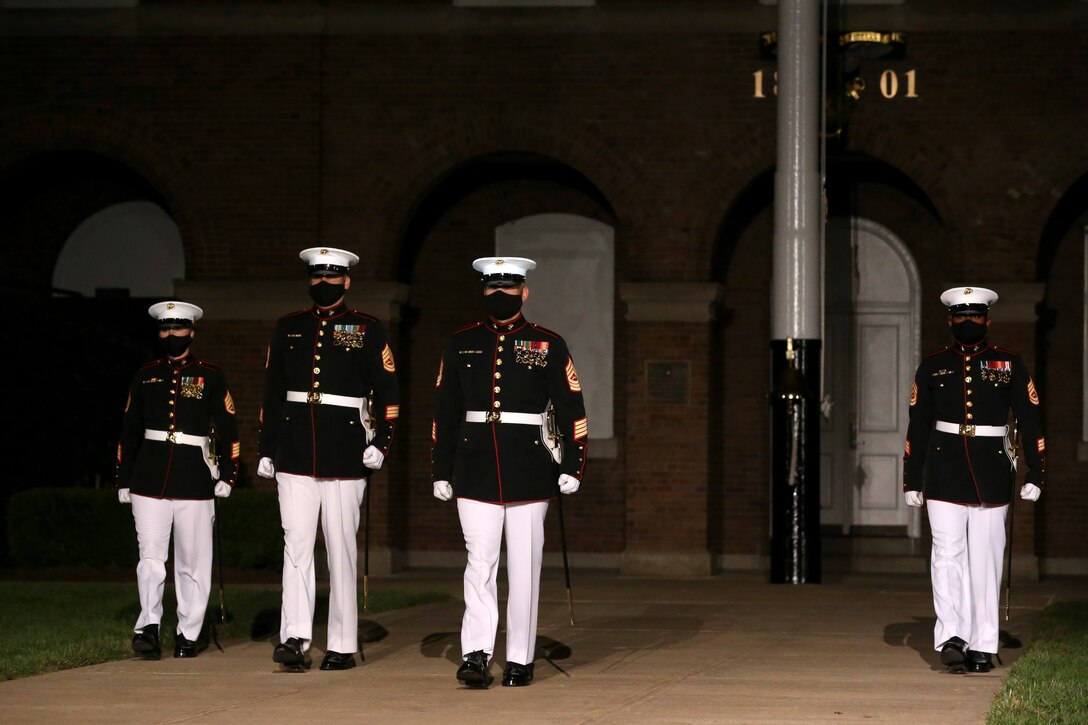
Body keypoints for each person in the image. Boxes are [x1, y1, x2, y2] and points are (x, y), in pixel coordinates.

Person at [431, 256, 588, 688]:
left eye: (509, 287)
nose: (500, 293)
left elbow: (572, 407)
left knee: (524, 568)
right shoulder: (461, 342)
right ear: (483, 291)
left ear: (524, 291)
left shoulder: (547, 343)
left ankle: (520, 657)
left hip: (530, 469)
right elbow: (445, 411)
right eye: (492, 287)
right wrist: (440, 470)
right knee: (478, 564)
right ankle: (476, 654)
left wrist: (573, 464)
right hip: (476, 467)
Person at [258, 246, 400, 672]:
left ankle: (341, 643)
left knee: (340, 550)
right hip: (295, 450)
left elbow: (389, 394)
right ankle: (295, 638)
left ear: (347, 281)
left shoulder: (367, 329)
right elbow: (272, 393)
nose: (324, 283)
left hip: (346, 452)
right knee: (297, 548)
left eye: (332, 276)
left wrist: (382, 442)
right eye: (317, 276)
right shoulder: (288, 327)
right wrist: (268, 448)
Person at [903, 286, 1045, 674]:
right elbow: (917, 425)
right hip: (944, 469)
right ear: (950, 320)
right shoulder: (933, 365)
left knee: (985, 560)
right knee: (946, 556)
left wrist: (1037, 469)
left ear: (988, 319)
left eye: (975, 316)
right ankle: (952, 637)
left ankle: (983, 643)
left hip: (992, 468)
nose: (968, 322)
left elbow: (1030, 419)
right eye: (960, 316)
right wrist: (911, 478)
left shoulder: (1008, 363)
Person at [116, 301, 240, 660]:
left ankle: (189, 631)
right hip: (150, 478)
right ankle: (148, 628)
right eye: (165, 329)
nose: (171, 335)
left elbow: (229, 427)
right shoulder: (145, 374)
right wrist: (124, 477)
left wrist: (229, 474)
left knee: (192, 562)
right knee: (151, 559)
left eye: (178, 328)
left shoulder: (211, 374)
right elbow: (129, 430)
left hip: (195, 477)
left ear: (192, 332)